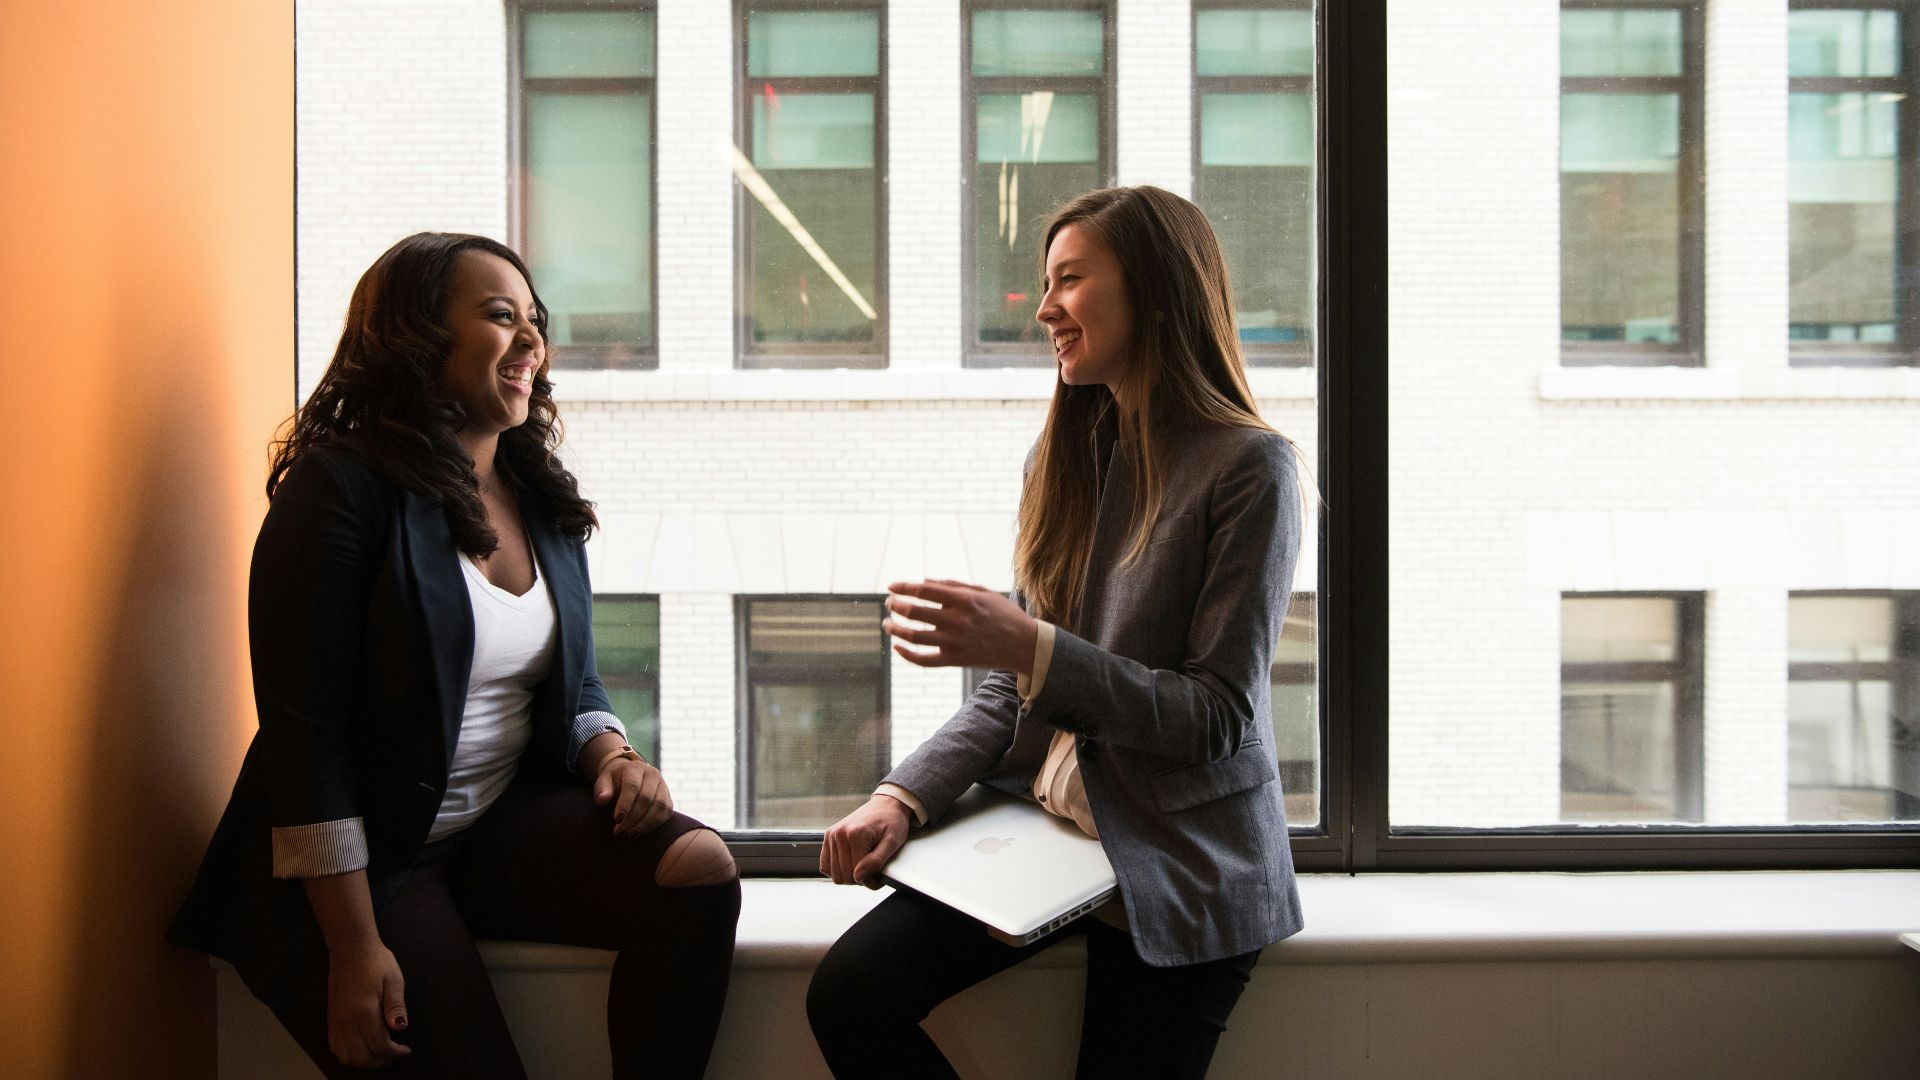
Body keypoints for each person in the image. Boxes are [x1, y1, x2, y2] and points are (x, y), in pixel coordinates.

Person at [168, 233, 740, 1079]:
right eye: (501, 316)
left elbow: (571, 679)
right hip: (356, 873)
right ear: (415, 336)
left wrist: (612, 750)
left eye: (536, 322)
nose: (531, 341)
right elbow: (306, 738)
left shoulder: (535, 492)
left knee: (699, 872)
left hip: (482, 828)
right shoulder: (338, 490)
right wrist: (353, 949)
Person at [807, 186, 1307, 1080]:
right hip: (1054, 838)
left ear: (1155, 291)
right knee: (848, 994)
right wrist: (901, 797)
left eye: (1069, 280)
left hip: (1183, 860)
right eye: (1046, 283)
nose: (1043, 308)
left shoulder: (1250, 467)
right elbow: (1013, 688)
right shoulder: (1063, 457)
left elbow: (1216, 716)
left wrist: (1029, 648)